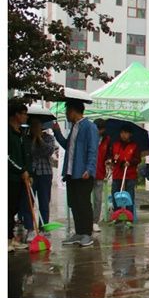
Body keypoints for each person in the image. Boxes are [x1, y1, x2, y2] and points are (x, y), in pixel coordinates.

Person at [52, 100, 99, 247]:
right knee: (74, 203)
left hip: (83, 173)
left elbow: (93, 149)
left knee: (83, 203)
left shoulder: (89, 127)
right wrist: (57, 132)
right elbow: (68, 146)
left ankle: (87, 234)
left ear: (74, 111)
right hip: (71, 172)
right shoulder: (74, 128)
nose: (66, 115)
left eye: (67, 111)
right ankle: (79, 233)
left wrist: (89, 169)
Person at [22, 116, 55, 242]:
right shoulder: (25, 139)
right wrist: (34, 138)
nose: (36, 128)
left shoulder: (49, 138)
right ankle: (30, 229)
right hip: (30, 174)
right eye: (33, 125)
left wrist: (39, 138)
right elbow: (29, 152)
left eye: (38, 125)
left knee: (44, 201)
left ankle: (43, 227)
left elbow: (48, 152)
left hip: (45, 173)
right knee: (28, 202)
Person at [8, 99, 31, 252]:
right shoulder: (7, 132)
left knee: (14, 208)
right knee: (7, 208)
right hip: (10, 176)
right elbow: (7, 157)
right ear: (16, 115)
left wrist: (27, 171)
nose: (26, 117)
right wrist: (21, 170)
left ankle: (10, 238)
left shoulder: (21, 133)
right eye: (23, 114)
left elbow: (25, 155)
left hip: (21, 178)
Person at [108, 124, 139, 218]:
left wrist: (130, 162)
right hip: (117, 174)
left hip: (130, 174)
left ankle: (129, 216)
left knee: (129, 195)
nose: (123, 135)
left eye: (125, 133)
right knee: (115, 194)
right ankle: (117, 215)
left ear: (130, 134)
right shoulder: (115, 145)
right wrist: (112, 160)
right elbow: (111, 158)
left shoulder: (134, 146)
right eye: (122, 133)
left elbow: (138, 159)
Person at [92, 119, 111, 232]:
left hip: (100, 172)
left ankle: (95, 222)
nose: (99, 131)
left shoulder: (107, 139)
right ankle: (87, 221)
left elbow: (108, 153)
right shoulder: (89, 137)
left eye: (101, 129)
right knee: (86, 200)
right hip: (88, 173)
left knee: (98, 199)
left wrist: (108, 160)